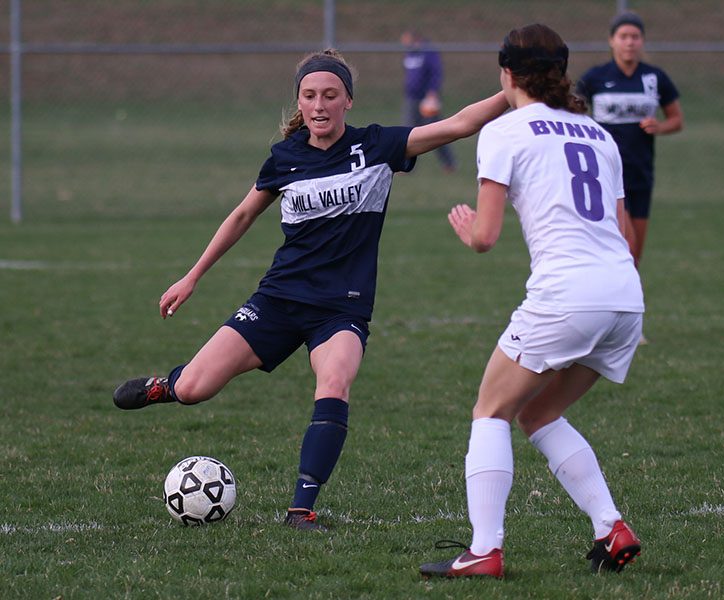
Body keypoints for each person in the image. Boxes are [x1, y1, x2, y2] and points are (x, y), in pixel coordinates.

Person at [112, 49, 508, 532]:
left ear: (348, 102)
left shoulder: (378, 146)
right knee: (196, 388)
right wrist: (192, 275)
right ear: (300, 102)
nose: (319, 105)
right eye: (309, 96)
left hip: (340, 308)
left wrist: (515, 92)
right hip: (278, 300)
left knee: (335, 382)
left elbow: (461, 123)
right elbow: (241, 216)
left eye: (330, 96)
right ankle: (166, 385)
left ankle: (301, 508)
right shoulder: (286, 158)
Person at [419, 24, 644, 579]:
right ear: (561, 74)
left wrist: (466, 227)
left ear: (506, 72)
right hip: (625, 296)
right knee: (540, 412)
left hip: (568, 294)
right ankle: (610, 526)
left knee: (490, 411)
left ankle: (484, 551)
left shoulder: (504, 132)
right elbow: (623, 232)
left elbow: (486, 238)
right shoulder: (598, 134)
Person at [576, 11, 682, 270]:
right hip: (607, 173)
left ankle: (630, 307)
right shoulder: (595, 78)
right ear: (612, 40)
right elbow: (573, 112)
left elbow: (676, 120)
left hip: (641, 172)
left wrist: (660, 126)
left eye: (635, 37)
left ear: (642, 41)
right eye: (623, 36)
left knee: (634, 257)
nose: (630, 42)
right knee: (626, 248)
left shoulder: (654, 78)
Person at [401, 30, 457, 173]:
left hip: (427, 98)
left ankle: (449, 163)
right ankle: (407, 165)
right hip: (412, 98)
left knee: (435, 132)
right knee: (408, 132)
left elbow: (436, 72)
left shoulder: (428, 51)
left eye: (405, 39)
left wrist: (432, 93)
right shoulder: (410, 53)